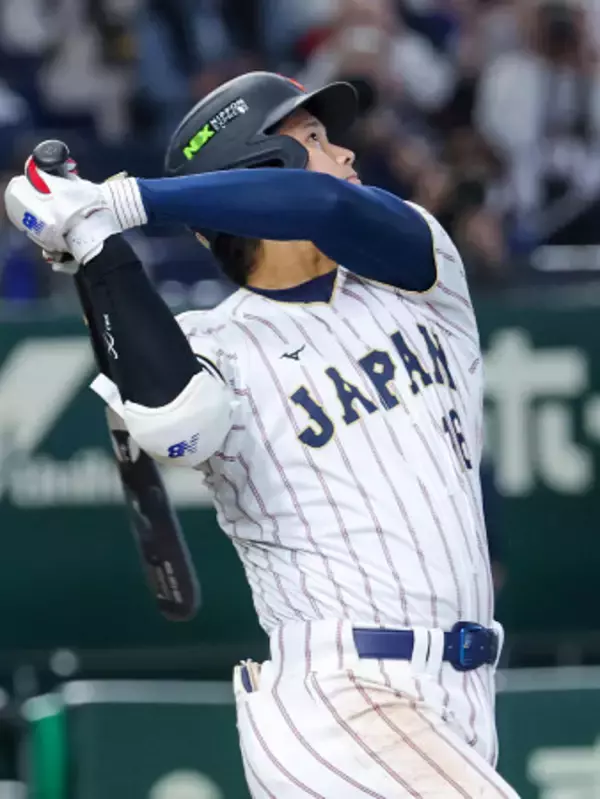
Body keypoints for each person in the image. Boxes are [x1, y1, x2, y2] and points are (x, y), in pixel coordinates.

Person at [5, 72, 517, 798]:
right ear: (259, 169)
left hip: (462, 696)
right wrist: (93, 240)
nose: (345, 152)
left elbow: (327, 204)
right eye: (312, 138)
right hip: (337, 700)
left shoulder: (420, 273)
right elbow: (176, 424)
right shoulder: (216, 343)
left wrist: (123, 200)